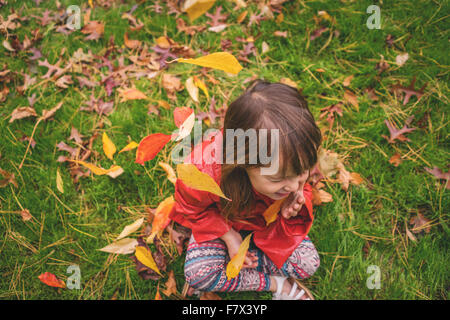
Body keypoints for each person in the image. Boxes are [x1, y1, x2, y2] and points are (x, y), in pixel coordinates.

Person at [169, 79, 323, 300]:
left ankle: (248, 264)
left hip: (264, 224)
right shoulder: (202, 173)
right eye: (278, 179)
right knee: (198, 274)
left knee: (308, 263)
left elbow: (300, 183)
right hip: (222, 224)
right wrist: (229, 236)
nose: (292, 185)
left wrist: (297, 198)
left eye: (302, 172)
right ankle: (275, 284)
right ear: (241, 161)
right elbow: (191, 208)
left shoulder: (292, 160)